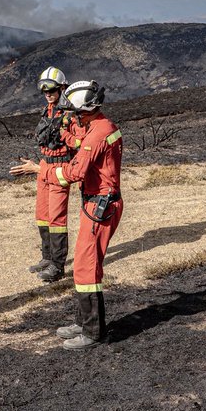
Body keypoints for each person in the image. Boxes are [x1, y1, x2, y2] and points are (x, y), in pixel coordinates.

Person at [50, 80, 123, 350]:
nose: (72, 116)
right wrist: (68, 136)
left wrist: (42, 172)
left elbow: (75, 173)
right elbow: (84, 141)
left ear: (84, 110)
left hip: (100, 206)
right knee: (85, 265)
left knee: (86, 268)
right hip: (98, 203)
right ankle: (83, 322)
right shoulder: (102, 126)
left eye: (74, 112)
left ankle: (92, 332)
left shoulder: (97, 133)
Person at [8, 66, 79, 283]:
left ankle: (57, 266)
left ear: (62, 88)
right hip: (44, 164)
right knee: (42, 215)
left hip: (58, 168)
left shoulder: (70, 114)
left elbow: (77, 143)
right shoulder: (48, 110)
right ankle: (47, 257)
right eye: (44, 89)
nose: (47, 93)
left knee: (57, 218)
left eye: (52, 89)